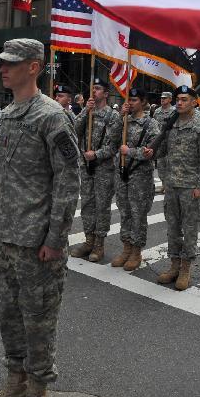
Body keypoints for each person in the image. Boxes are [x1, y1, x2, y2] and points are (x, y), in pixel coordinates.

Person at [0, 39, 80, 397]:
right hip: (7, 234)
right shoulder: (10, 113)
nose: (3, 69)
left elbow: (68, 180)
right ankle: (15, 385)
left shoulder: (52, 116)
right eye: (1, 63)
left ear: (34, 67)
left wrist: (55, 239)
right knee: (10, 317)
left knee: (39, 319)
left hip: (37, 241)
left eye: (11, 64)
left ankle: (38, 392)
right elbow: (7, 163)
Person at [148, 85, 200, 291]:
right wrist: (152, 151)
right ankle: (174, 265)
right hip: (171, 183)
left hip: (190, 185)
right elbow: (164, 150)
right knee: (173, 228)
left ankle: (186, 268)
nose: (179, 102)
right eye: (178, 99)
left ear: (194, 102)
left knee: (190, 228)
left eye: (184, 99)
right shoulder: (171, 123)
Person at [108, 88, 159, 271]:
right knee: (124, 212)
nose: (130, 103)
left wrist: (129, 151)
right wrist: (119, 118)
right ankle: (126, 248)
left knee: (138, 214)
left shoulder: (151, 124)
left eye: (134, 100)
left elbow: (153, 152)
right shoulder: (124, 121)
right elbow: (111, 140)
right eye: (128, 99)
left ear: (143, 102)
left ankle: (136, 251)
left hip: (140, 176)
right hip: (122, 175)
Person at [71, 78, 120, 263]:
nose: (94, 91)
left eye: (98, 89)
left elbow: (114, 146)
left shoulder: (112, 116)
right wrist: (86, 110)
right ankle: (88, 240)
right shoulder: (87, 112)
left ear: (106, 94)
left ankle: (99, 244)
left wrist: (96, 154)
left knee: (101, 206)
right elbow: (74, 130)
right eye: (92, 88)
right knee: (87, 205)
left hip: (103, 168)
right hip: (86, 167)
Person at [151, 91, 174, 194]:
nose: (162, 99)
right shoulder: (157, 111)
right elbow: (154, 125)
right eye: (161, 98)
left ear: (170, 99)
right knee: (161, 166)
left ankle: (169, 186)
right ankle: (164, 185)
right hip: (160, 143)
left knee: (171, 166)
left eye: (165, 98)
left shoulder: (174, 111)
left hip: (171, 143)